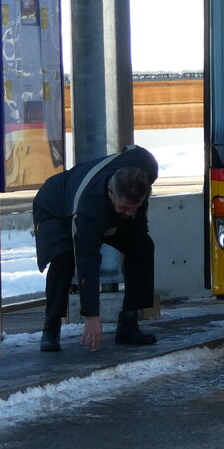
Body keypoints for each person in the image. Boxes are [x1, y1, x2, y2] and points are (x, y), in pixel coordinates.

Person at [33, 145, 159, 352]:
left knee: (142, 246)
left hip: (97, 203)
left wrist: (134, 217)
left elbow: (131, 149)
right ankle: (51, 327)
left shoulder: (145, 165)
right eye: (124, 208)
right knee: (64, 258)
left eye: (133, 209)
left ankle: (128, 323)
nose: (128, 213)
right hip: (54, 205)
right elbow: (87, 263)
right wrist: (92, 317)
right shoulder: (89, 211)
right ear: (111, 192)